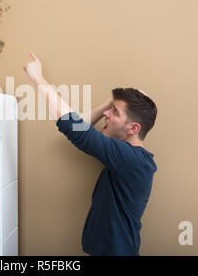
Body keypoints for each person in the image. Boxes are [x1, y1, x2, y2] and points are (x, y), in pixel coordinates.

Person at [23, 52, 158, 256]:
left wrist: (38, 79)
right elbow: (81, 125)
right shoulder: (131, 157)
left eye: (115, 113)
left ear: (133, 128)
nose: (106, 114)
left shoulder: (130, 159)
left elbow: (74, 126)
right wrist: (113, 101)